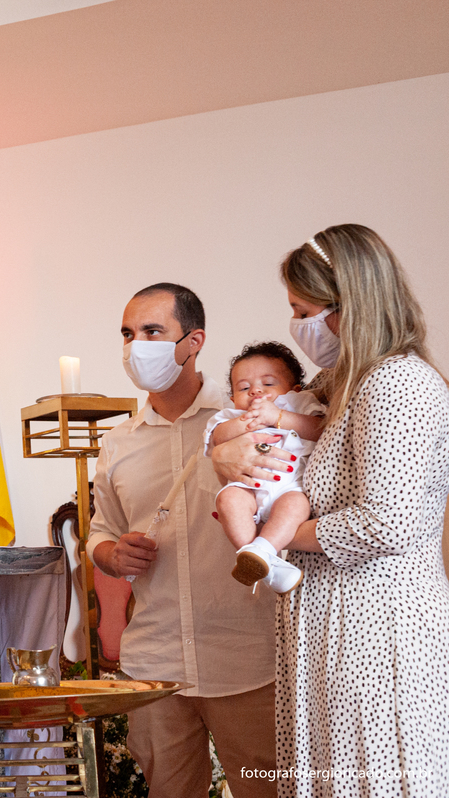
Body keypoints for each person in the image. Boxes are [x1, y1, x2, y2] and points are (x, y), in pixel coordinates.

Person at [212, 225, 449, 797]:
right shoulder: (340, 381)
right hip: (328, 616)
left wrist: (281, 534)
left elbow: (389, 521)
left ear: (349, 304)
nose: (297, 327)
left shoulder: (397, 383)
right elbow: (257, 431)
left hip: (377, 620)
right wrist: (226, 453)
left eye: (304, 310)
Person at [87, 283, 277, 798]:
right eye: (128, 334)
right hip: (157, 663)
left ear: (194, 342)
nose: (135, 346)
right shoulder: (118, 443)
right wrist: (112, 553)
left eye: (152, 331)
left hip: (247, 656)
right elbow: (99, 534)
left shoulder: (246, 423)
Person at [205, 342, 325, 593]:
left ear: (294, 389)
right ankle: (261, 560)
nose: (256, 391)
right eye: (244, 388)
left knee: (297, 505)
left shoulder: (301, 403)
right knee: (227, 500)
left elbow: (321, 430)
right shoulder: (229, 415)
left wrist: (278, 417)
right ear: (232, 399)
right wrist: (246, 422)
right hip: (247, 487)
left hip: (289, 487)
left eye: (268, 384)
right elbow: (216, 437)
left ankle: (262, 551)